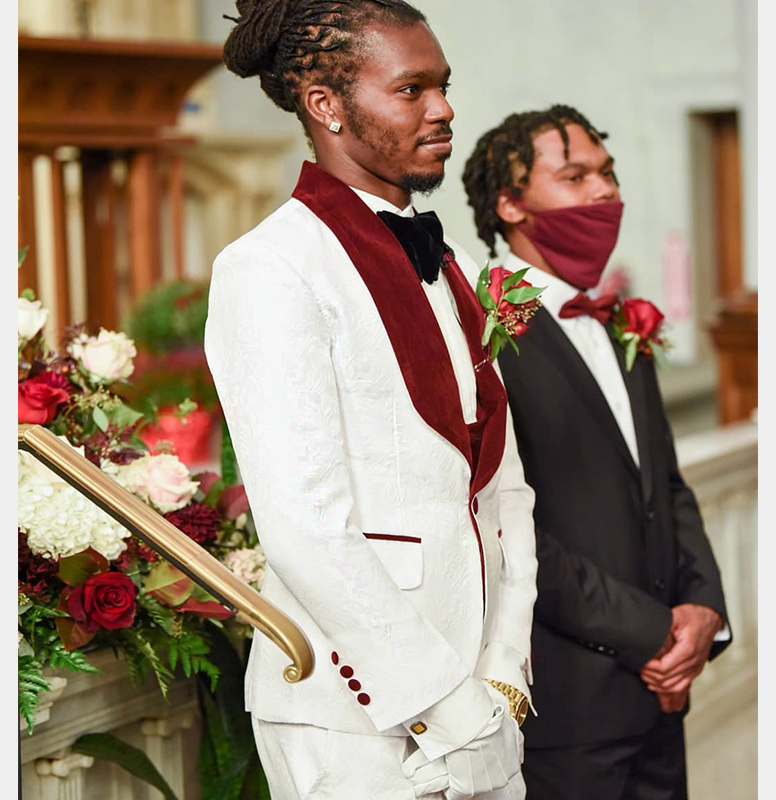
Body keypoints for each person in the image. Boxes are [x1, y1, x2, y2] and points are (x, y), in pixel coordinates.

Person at [204, 2, 538, 798]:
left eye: (444, 86)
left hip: (488, 708)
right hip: (353, 720)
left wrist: (503, 681)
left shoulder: (441, 258)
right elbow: (305, 530)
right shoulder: (270, 268)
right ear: (327, 106)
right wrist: (448, 708)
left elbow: (502, 488)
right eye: (412, 89)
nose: (444, 107)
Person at [461, 104, 731, 800]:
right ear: (510, 203)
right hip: (567, 701)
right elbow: (498, 518)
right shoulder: (483, 329)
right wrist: (652, 632)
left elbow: (664, 484)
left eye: (607, 173)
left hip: (663, 694)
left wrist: (703, 610)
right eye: (574, 175)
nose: (602, 191)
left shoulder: (616, 319)